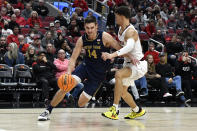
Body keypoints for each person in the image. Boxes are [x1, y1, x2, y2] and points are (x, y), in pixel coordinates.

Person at [38, 16, 128, 121]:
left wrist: (111, 55)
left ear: (96, 27)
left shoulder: (105, 37)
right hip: (85, 67)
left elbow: (122, 50)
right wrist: (67, 73)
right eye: (87, 28)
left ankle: (85, 88)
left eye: (92, 28)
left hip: (98, 75)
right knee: (65, 86)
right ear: (84, 28)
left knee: (81, 103)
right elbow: (72, 59)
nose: (89, 30)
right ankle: (48, 110)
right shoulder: (82, 39)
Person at [101, 6, 147, 120]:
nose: (115, 19)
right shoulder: (120, 29)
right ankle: (137, 110)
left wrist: (111, 55)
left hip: (138, 64)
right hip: (129, 63)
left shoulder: (131, 31)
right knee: (123, 93)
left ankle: (114, 110)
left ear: (122, 17)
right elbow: (125, 47)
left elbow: (129, 46)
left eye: (116, 17)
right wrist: (129, 55)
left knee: (118, 74)